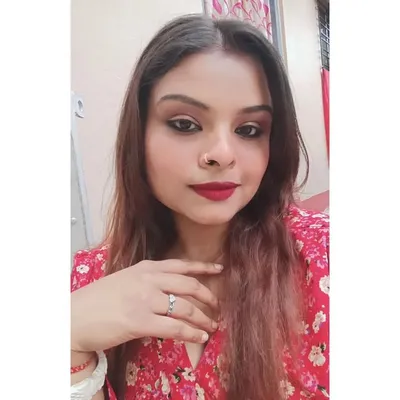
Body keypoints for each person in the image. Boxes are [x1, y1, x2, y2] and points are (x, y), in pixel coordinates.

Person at [70, 14, 329, 400]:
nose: (222, 154)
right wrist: (70, 339)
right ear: (139, 134)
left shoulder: (325, 256)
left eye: (249, 130)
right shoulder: (91, 280)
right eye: (185, 124)